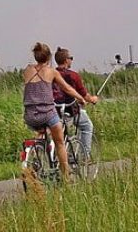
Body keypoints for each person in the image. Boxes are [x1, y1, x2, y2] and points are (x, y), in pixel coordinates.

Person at [23, 42, 86, 178]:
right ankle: (66, 178)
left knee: (41, 132)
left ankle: (38, 154)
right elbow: (67, 88)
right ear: (49, 57)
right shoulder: (51, 72)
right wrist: (80, 98)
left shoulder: (27, 70)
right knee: (59, 142)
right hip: (47, 113)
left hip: (29, 116)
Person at [53, 47, 98, 158]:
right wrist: (93, 99)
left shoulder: (51, 75)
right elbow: (84, 95)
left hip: (55, 111)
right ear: (66, 60)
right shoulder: (74, 76)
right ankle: (84, 156)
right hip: (71, 110)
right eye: (71, 58)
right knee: (87, 126)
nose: (72, 60)